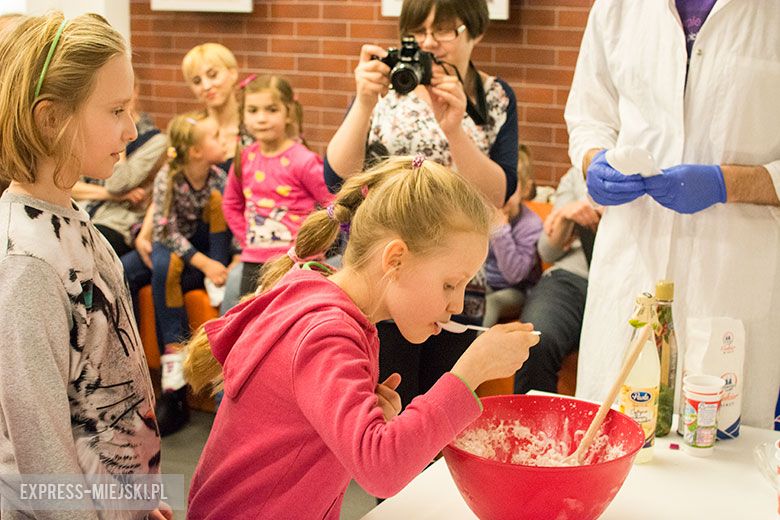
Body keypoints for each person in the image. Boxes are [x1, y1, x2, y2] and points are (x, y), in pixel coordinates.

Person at [183, 156, 538, 519]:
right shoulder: (328, 333)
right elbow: (381, 470)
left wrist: (364, 423)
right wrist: (469, 374)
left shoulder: (323, 299)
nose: (457, 304)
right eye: (449, 284)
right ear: (395, 259)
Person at [565, 0, 780, 429]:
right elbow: (589, 114)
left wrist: (727, 183)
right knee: (609, 443)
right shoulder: (617, 7)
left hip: (731, 279)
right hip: (631, 264)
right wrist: (593, 160)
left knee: (720, 455)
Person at [0, 12, 169, 518]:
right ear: (51, 119)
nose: (132, 128)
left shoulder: (75, 221)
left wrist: (144, 495)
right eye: (116, 109)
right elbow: (42, 451)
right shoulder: (26, 262)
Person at [324, 0, 519, 410]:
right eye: (418, 32)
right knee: (385, 409)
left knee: (444, 403)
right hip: (386, 274)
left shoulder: (494, 96)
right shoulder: (388, 87)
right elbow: (338, 177)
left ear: (476, 31)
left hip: (458, 276)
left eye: (445, 30)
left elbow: (496, 198)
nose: (430, 43)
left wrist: (455, 130)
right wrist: (363, 102)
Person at [122, 112, 232, 436]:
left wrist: (216, 262)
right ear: (196, 151)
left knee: (166, 272)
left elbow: (223, 227)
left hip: (191, 255)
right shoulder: (169, 176)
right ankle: (132, 369)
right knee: (124, 272)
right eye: (215, 137)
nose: (223, 140)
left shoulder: (217, 180)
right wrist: (203, 264)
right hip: (173, 250)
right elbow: (165, 231)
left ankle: (175, 388)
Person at [222, 74, 332, 297]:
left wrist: (314, 243)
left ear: (288, 113)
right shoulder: (244, 159)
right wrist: (248, 240)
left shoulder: (303, 160)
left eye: (272, 110)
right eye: (252, 111)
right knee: (251, 325)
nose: (261, 118)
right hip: (254, 264)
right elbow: (231, 203)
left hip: (297, 263)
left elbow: (333, 203)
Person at [514, 166, 601, 393]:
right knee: (536, 340)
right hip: (572, 278)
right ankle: (532, 426)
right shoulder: (578, 175)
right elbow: (547, 252)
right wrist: (565, 215)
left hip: (636, 286)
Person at [71, 76, 167, 257]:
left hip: (116, 223)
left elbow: (117, 183)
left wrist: (118, 136)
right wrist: (112, 196)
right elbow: (69, 185)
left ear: (135, 92)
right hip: (81, 212)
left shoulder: (156, 141)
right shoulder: (95, 131)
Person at [482, 144, 543, 327]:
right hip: (486, 284)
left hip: (516, 291)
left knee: (491, 302)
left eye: (511, 186)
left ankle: (477, 351)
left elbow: (514, 275)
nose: (502, 193)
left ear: (525, 189)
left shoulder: (530, 225)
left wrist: (500, 231)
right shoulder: (484, 214)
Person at [182, 42, 247, 173]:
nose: (206, 86)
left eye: (213, 75)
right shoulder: (192, 132)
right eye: (197, 81)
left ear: (232, 73)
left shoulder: (255, 127)